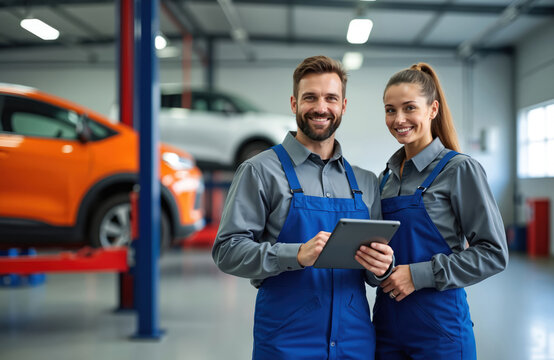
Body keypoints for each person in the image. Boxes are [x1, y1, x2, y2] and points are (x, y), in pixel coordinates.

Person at [212, 55, 394, 360]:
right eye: (310, 97)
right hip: (286, 342)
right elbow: (227, 250)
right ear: (294, 103)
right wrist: (294, 254)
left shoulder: (365, 182)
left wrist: (382, 266)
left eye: (330, 98)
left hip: (354, 342)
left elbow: (373, 274)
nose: (321, 107)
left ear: (343, 106)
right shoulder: (260, 171)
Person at [371, 62, 509, 359]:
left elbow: (494, 253)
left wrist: (419, 275)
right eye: (390, 110)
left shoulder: (459, 169)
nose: (398, 119)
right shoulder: (385, 178)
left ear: (432, 110)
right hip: (385, 328)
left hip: (439, 331)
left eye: (409, 108)